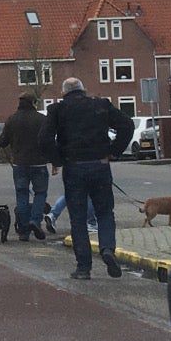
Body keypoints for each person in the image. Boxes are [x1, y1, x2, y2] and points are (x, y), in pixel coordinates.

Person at [38, 76, 135, 280]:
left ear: (64, 93)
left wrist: (57, 159)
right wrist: (113, 151)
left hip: (74, 168)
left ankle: (84, 268)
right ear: (83, 89)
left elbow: (44, 138)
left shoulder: (58, 110)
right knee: (105, 212)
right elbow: (127, 125)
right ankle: (107, 249)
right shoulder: (101, 105)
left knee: (78, 218)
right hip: (100, 165)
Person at [0, 93, 53, 242]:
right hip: (39, 164)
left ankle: (23, 231)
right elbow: (49, 140)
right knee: (40, 193)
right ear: (33, 102)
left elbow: (3, 142)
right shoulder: (42, 119)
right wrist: (54, 160)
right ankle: (35, 220)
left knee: (22, 194)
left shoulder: (12, 119)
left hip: (19, 164)